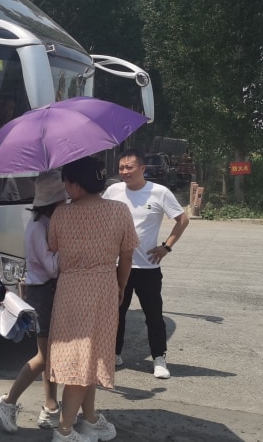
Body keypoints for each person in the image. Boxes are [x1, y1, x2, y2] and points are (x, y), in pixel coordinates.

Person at [47, 156, 137, 442]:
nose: (65, 187)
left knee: (86, 356)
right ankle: (64, 429)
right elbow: (127, 256)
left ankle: (89, 418)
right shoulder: (120, 210)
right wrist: (121, 286)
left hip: (69, 289)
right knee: (87, 356)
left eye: (66, 182)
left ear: (76, 185)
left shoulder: (61, 213)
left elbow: (52, 245)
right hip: (102, 287)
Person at [0, 169, 67, 434]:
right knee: (44, 356)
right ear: (53, 202)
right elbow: (51, 268)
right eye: (62, 199)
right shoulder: (38, 227)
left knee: (50, 355)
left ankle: (50, 406)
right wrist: (68, 249)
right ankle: (7, 401)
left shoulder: (45, 223)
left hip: (47, 291)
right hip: (42, 292)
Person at [102, 148, 189, 379]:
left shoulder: (159, 192)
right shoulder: (113, 191)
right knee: (115, 313)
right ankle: (114, 354)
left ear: (142, 168)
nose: (124, 172)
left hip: (147, 267)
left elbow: (182, 219)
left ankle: (159, 358)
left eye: (129, 167)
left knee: (153, 315)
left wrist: (166, 247)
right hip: (117, 265)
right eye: (121, 168)